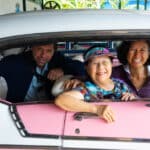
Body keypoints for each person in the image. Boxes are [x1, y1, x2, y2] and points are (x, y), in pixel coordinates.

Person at [55, 46, 135, 123]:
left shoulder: (120, 84)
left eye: (105, 62)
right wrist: (96, 109)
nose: (100, 67)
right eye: (95, 63)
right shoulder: (87, 88)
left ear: (111, 64)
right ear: (87, 67)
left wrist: (133, 98)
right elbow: (61, 100)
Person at [0, 42, 84, 103]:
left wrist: (63, 70)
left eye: (48, 51)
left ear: (54, 51)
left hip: (50, 107)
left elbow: (81, 67)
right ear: (32, 47)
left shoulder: (57, 59)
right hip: (19, 108)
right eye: (39, 49)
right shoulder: (16, 62)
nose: (43, 55)